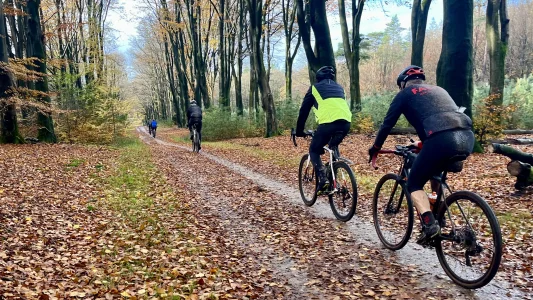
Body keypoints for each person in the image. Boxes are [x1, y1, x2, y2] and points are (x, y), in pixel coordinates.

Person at [368, 65, 475, 244]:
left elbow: (387, 125)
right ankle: (438, 211)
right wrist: (421, 143)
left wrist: (376, 148)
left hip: (440, 140)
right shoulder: (439, 90)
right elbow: (444, 119)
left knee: (414, 183)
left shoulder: (404, 94)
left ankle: (429, 225)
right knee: (435, 170)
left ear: (403, 83)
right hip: (466, 137)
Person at [295, 66, 352, 193]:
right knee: (333, 145)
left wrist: (299, 130)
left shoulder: (314, 88)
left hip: (328, 123)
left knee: (314, 149)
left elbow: (304, 110)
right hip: (346, 123)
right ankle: (335, 170)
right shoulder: (339, 88)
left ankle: (323, 179)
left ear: (318, 78)